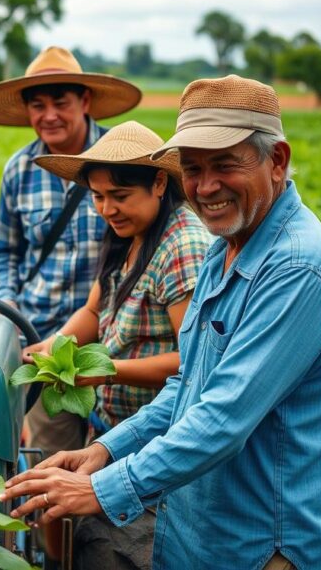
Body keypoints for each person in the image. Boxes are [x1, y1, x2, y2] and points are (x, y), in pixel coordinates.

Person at [0, 76, 321, 570]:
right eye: (192, 169)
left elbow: (223, 418)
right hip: (203, 533)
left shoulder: (298, 267)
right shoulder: (225, 251)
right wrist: (106, 450)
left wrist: (103, 487)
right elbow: (189, 384)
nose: (206, 186)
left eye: (225, 165)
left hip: (264, 544)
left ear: (276, 161)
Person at [0, 44, 142, 566]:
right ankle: (61, 561)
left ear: (85, 100)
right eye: (36, 104)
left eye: (60, 101)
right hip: (48, 347)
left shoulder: (120, 160)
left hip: (118, 341)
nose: (48, 115)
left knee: (125, 467)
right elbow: (5, 251)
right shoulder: (18, 169)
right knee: (53, 473)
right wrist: (14, 320)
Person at [24, 121, 212, 568]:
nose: (107, 208)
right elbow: (94, 311)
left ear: (159, 183)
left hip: (155, 444)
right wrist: (52, 348)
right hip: (112, 430)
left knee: (129, 549)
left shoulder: (183, 245)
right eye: (98, 196)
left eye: (120, 196)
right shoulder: (128, 234)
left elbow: (195, 361)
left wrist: (107, 370)